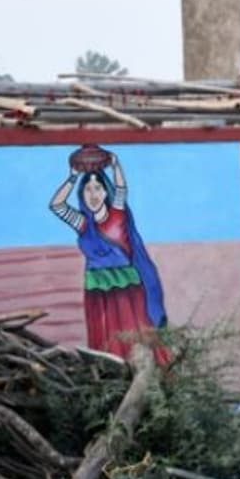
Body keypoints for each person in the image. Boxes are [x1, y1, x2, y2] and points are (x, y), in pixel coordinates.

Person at [48, 147, 170, 364]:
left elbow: (122, 188)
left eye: (97, 188)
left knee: (133, 334)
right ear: (82, 194)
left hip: (128, 289)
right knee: (105, 337)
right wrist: (73, 176)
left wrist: (116, 165)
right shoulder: (83, 223)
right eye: (88, 190)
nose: (93, 194)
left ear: (106, 192)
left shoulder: (117, 215)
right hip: (97, 290)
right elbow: (56, 205)